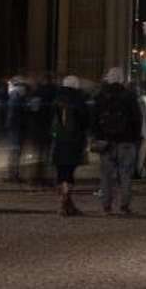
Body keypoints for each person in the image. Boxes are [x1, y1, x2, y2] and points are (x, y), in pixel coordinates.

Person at [93, 67, 142, 215]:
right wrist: (135, 138)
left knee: (106, 176)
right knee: (125, 174)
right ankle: (124, 206)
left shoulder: (100, 96)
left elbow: (94, 119)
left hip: (106, 141)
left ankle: (106, 207)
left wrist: (98, 136)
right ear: (122, 79)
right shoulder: (129, 96)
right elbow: (137, 118)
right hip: (126, 141)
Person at [51, 75, 89, 216]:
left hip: (59, 141)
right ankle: (65, 202)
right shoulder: (79, 101)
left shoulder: (56, 100)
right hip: (74, 142)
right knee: (69, 173)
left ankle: (65, 204)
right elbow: (85, 121)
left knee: (61, 173)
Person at [5, 76, 28, 182]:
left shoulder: (16, 95)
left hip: (16, 126)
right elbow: (15, 113)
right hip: (17, 127)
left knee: (15, 150)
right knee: (15, 150)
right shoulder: (16, 95)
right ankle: (13, 174)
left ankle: (14, 174)